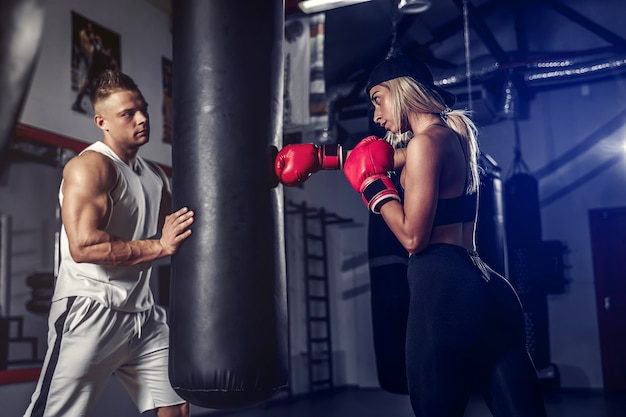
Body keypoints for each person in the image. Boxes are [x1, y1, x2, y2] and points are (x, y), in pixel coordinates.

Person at [275, 54, 547, 417]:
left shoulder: (424, 145)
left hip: (442, 287)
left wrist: (374, 189)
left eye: (377, 99)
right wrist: (325, 157)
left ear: (402, 91)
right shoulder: (454, 136)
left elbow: (412, 238)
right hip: (488, 286)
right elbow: (383, 157)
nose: (375, 115)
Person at [24, 69, 194, 417]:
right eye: (128, 114)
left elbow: (174, 233)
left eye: (143, 108)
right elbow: (84, 247)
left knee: (175, 408)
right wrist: (159, 247)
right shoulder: (90, 167)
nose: (143, 118)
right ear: (102, 121)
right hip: (91, 310)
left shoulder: (155, 176)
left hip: (143, 315)